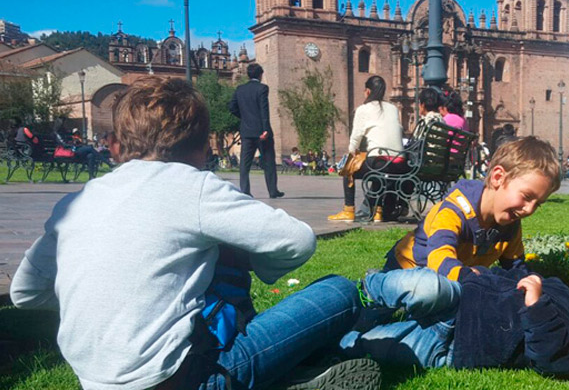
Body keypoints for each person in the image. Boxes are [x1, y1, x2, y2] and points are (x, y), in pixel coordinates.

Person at [10, 76, 378, 390]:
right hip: (188, 378)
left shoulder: (75, 203)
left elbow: (24, 292)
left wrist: (101, 289)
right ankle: (287, 372)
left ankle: (296, 366)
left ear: (118, 145)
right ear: (203, 149)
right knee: (339, 293)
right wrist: (247, 260)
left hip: (93, 380)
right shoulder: (193, 185)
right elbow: (298, 240)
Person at [341, 267, 569, 378]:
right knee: (426, 286)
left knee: (376, 345)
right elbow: (520, 278)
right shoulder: (566, 297)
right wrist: (490, 274)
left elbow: (546, 355)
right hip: (462, 301)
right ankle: (370, 289)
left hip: (454, 349)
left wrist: (537, 305)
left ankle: (340, 341)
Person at [383, 137, 559, 281]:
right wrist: (469, 278)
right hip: (407, 269)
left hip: (451, 279)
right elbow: (439, 258)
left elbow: (515, 266)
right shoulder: (454, 211)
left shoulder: (510, 224)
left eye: (537, 204)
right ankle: (370, 288)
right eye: (527, 197)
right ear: (498, 178)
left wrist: (529, 282)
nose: (529, 209)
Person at [328, 75, 404, 223]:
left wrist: (351, 152)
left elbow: (356, 136)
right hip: (399, 163)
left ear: (367, 92)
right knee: (377, 172)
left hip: (380, 161)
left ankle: (348, 210)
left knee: (348, 169)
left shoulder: (363, 109)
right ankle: (377, 212)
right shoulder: (393, 109)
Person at [229, 63, 284, 199]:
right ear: (260, 75)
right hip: (261, 131)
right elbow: (263, 109)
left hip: (246, 132)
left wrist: (244, 117)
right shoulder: (262, 88)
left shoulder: (240, 89)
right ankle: (272, 190)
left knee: (244, 163)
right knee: (269, 161)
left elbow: (231, 107)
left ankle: (245, 191)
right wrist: (265, 129)